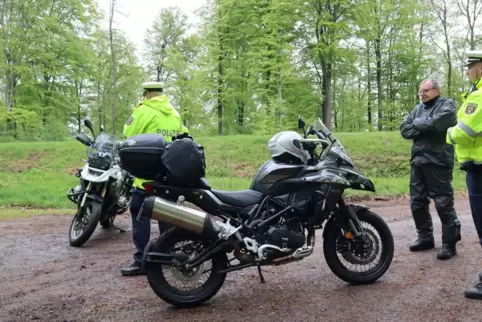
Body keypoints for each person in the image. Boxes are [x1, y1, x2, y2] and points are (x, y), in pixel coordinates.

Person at [120, 81, 186, 276]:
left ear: (147, 93)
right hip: (168, 174)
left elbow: (128, 134)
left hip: (146, 174)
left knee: (139, 212)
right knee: (166, 215)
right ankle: (166, 256)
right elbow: (184, 137)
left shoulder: (143, 111)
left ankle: (141, 260)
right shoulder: (174, 113)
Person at [399, 78, 461, 260]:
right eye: (420, 91)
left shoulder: (447, 105)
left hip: (438, 161)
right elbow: (404, 129)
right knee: (417, 202)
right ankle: (425, 237)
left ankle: (449, 244)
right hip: (418, 161)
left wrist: (419, 124)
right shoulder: (418, 108)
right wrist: (426, 124)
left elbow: (438, 124)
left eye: (426, 90)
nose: (422, 94)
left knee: (443, 202)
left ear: (436, 90)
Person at [446, 50, 482, 299]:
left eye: (471, 66)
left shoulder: (479, 96)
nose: (468, 70)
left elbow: (464, 131)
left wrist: (448, 133)